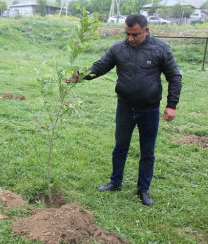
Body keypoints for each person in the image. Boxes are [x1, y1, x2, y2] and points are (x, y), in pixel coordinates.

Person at [67, 14, 182, 206]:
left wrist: (171, 105)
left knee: (147, 151)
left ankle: (143, 189)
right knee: (120, 147)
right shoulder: (118, 48)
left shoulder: (161, 49)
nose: (130, 38)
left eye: (135, 34)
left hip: (149, 110)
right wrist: (79, 75)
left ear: (146, 31)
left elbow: (175, 77)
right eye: (127, 34)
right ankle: (115, 182)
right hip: (125, 107)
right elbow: (100, 67)